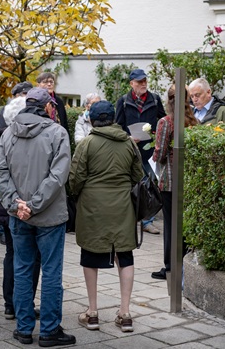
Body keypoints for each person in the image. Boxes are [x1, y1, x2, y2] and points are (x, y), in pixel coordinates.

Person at [0, 87, 75, 347]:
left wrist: (18, 206)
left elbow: (0, 174)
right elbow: (58, 175)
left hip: (19, 215)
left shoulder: (8, 133)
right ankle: (50, 331)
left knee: (22, 269)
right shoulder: (57, 132)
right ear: (48, 107)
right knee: (51, 272)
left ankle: (24, 328)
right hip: (49, 216)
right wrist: (34, 204)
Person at [69, 100, 144, 333]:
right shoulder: (129, 144)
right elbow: (138, 176)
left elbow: (75, 179)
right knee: (125, 255)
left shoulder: (87, 144)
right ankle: (125, 313)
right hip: (122, 207)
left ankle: (92, 313)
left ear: (91, 119)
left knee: (90, 256)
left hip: (93, 208)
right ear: (113, 119)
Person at [0, 96, 41, 320]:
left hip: (9, 204)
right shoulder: (24, 138)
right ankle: (23, 304)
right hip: (26, 207)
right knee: (29, 257)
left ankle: (11, 304)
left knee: (13, 255)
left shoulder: (1, 137)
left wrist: (12, 201)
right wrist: (25, 204)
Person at [150, 85, 199, 281]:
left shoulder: (166, 122)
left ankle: (170, 267)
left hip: (169, 181)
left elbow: (160, 153)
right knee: (184, 225)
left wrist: (154, 153)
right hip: (189, 181)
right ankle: (184, 263)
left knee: (170, 226)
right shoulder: (194, 121)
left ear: (168, 100)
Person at [115, 68, 166, 235]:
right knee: (129, 184)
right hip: (130, 149)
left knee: (150, 185)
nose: (143, 84)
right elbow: (117, 126)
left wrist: (154, 135)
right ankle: (128, 219)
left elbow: (163, 120)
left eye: (144, 81)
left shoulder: (155, 100)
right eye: (139, 82)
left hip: (149, 151)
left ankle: (147, 221)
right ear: (132, 84)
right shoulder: (123, 101)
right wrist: (127, 138)